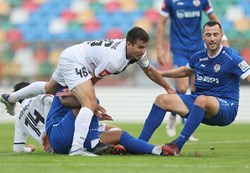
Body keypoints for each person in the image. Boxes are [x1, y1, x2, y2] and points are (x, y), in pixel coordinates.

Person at [0, 26, 175, 156]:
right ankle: (77, 148)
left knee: (49, 88)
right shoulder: (114, 60)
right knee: (90, 102)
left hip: (73, 55)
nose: (143, 52)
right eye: (140, 48)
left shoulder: (134, 54)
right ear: (128, 44)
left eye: (145, 47)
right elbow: (93, 79)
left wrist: (167, 87)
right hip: (76, 60)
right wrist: (80, 95)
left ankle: (12, 97)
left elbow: (151, 70)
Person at [139, 21, 250, 156]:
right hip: (200, 104)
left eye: (216, 34)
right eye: (208, 35)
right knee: (162, 100)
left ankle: (177, 146)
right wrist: (162, 73)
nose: (212, 38)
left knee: (201, 100)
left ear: (221, 35)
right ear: (203, 37)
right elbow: (185, 71)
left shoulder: (232, 57)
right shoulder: (199, 56)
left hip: (226, 107)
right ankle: (139, 144)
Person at [156, 0, 230, 140]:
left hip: (198, 48)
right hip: (179, 49)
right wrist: (159, 47)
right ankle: (172, 116)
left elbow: (213, 18)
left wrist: (223, 37)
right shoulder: (171, 2)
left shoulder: (201, 1)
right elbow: (161, 22)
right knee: (183, 88)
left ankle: (187, 127)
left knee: (197, 88)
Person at [45, 87, 171, 156]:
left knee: (119, 133)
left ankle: (156, 150)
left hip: (75, 135)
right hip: (59, 133)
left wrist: (92, 108)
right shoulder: (68, 80)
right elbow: (64, 100)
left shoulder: (83, 85)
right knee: (93, 101)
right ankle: (97, 146)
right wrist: (93, 104)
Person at [12, 82, 53, 153]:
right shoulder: (37, 98)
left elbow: (17, 149)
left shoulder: (18, 120)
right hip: (63, 137)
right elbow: (48, 99)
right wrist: (47, 131)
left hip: (51, 149)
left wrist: (30, 149)